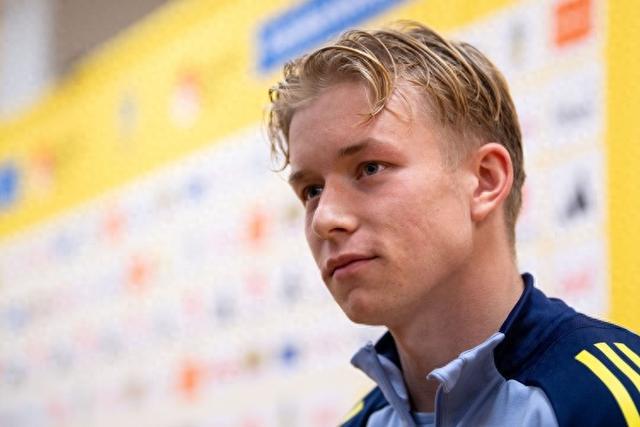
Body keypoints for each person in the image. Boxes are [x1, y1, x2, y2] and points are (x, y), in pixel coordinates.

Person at [267, 21, 640, 427]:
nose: (324, 219)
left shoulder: (609, 401)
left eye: (370, 168)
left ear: (485, 181)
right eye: (312, 190)